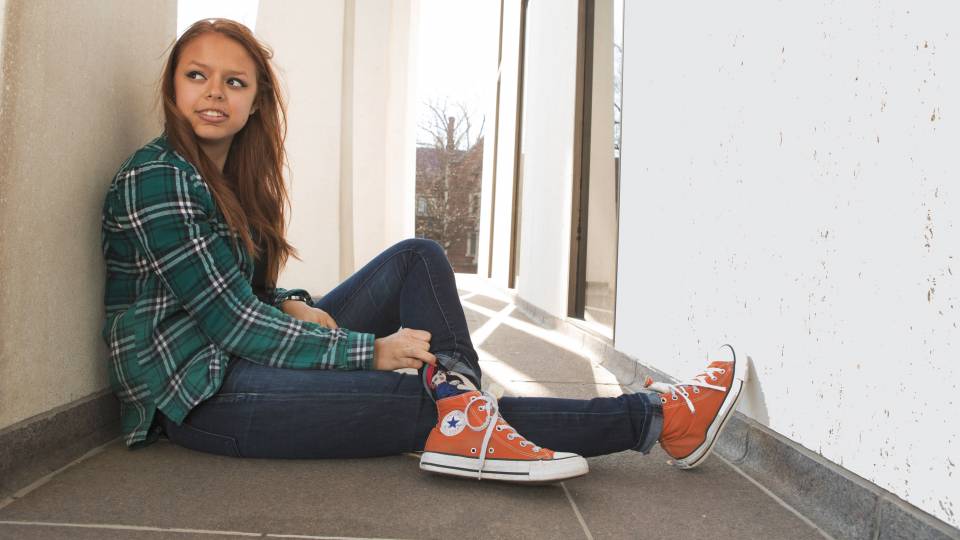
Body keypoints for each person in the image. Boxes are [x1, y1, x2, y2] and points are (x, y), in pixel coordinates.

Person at [100, 18, 748, 483]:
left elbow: (241, 298)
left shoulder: (229, 183)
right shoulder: (159, 179)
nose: (215, 91)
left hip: (235, 356)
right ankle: (657, 418)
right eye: (197, 76)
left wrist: (293, 306)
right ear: (173, 88)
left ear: (255, 102)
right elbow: (231, 323)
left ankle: (464, 415)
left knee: (419, 256)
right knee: (423, 404)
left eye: (234, 82)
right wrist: (372, 351)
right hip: (199, 398)